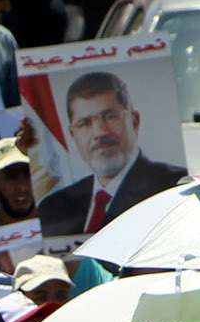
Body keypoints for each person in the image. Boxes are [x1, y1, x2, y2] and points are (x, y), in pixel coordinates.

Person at [34, 70, 184, 235]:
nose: (100, 132)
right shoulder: (53, 208)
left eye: (110, 117)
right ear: (73, 135)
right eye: (85, 123)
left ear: (134, 122)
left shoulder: (175, 186)